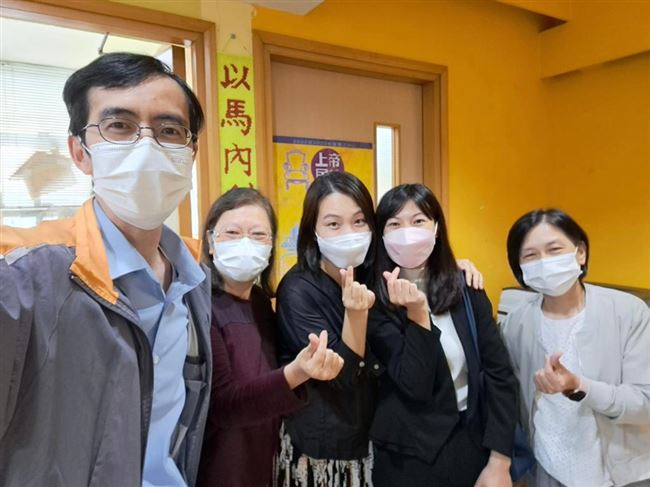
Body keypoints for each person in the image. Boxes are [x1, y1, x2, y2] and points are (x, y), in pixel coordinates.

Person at [0, 53, 211, 487]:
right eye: (120, 126)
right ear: (80, 152)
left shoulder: (193, 280)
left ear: (190, 154)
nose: (147, 146)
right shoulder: (23, 279)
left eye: (169, 130)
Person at [275, 173, 484, 486]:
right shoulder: (298, 290)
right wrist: (356, 313)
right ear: (312, 231)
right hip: (324, 450)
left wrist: (454, 265)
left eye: (359, 221)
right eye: (333, 224)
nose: (349, 233)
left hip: (372, 442)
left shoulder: (369, 273)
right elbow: (343, 375)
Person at [368, 183, 518, 487]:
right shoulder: (373, 299)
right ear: (381, 235)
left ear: (436, 227)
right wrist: (418, 314)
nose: (407, 233)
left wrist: (500, 461)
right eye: (394, 224)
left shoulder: (466, 287)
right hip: (405, 456)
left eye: (418, 221)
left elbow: (500, 374)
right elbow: (416, 384)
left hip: (469, 442)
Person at [196, 188, 344, 487]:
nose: (245, 243)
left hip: (263, 464)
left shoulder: (262, 303)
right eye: (232, 233)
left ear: (271, 247)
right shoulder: (200, 307)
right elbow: (224, 406)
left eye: (258, 235)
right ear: (211, 242)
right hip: (218, 470)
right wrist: (296, 373)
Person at [502, 209, 650, 487]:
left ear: (580, 252)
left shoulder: (628, 312)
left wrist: (579, 386)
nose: (544, 262)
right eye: (531, 255)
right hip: (546, 470)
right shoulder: (515, 323)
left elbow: (645, 402)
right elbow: (510, 401)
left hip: (618, 475)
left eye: (554, 250)